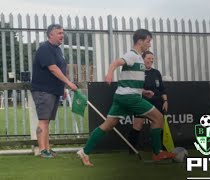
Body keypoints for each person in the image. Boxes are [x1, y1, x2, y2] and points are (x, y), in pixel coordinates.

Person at [76, 29, 176, 167]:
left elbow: (131, 80)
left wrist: (143, 91)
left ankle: (84, 152)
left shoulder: (139, 57)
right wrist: (109, 73)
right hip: (129, 98)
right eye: (148, 41)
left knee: (107, 125)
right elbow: (115, 63)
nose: (150, 45)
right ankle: (157, 152)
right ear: (140, 41)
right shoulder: (132, 55)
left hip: (122, 97)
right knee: (158, 117)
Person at [31, 24, 78, 158]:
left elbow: (61, 69)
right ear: (50, 35)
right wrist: (68, 83)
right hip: (43, 91)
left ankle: (47, 149)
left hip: (54, 90)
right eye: (59, 33)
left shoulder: (57, 50)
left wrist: (62, 88)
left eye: (63, 33)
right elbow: (53, 69)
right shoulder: (45, 49)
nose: (62, 35)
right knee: (43, 120)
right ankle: (43, 151)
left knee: (47, 121)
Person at [128, 51, 168, 153]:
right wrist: (144, 92)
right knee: (137, 124)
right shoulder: (138, 72)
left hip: (157, 102)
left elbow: (162, 89)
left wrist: (165, 101)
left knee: (159, 123)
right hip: (142, 102)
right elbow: (134, 88)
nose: (151, 61)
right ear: (143, 59)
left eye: (152, 59)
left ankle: (159, 149)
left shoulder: (156, 73)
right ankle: (132, 149)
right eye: (149, 58)